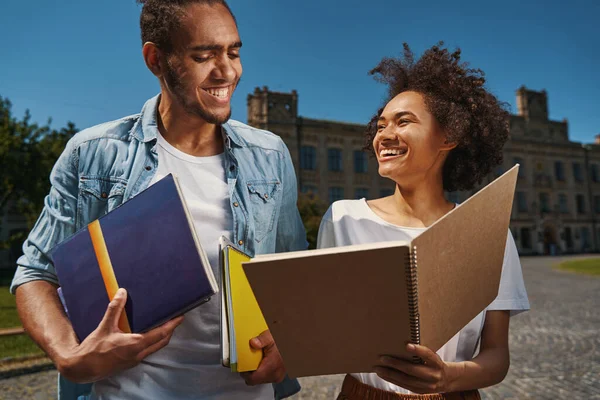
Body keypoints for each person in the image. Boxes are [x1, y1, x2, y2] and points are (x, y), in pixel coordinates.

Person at [10, 1, 306, 399]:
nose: (228, 71)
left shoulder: (270, 155)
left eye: (233, 52)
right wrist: (68, 354)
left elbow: (295, 271)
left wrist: (290, 337)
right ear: (156, 59)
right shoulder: (93, 153)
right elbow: (35, 271)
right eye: (204, 56)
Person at [317, 43, 530, 400]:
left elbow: (497, 357)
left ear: (448, 137)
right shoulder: (342, 218)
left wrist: (447, 377)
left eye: (404, 122)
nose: (384, 135)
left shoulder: (489, 232)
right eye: (381, 124)